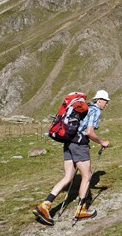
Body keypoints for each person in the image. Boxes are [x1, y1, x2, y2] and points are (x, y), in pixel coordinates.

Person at [33, 90, 111, 225]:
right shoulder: (95, 111)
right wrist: (101, 142)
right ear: (99, 100)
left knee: (68, 177)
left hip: (69, 143)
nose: (106, 104)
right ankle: (81, 209)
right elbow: (89, 132)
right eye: (105, 101)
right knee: (87, 176)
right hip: (80, 145)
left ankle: (45, 205)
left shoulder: (84, 108)